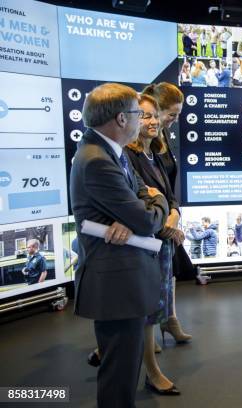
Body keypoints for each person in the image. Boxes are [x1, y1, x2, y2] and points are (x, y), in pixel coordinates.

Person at [70, 83, 170, 407]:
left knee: (125, 372)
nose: (142, 121)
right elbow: (145, 217)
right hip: (116, 284)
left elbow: (145, 196)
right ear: (120, 119)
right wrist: (158, 205)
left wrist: (152, 203)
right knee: (118, 379)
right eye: (137, 115)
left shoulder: (112, 152)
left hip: (124, 281)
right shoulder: (97, 160)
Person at [125, 94, 184, 395]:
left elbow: (164, 195)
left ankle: (149, 368)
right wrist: (168, 225)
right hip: (146, 243)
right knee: (148, 309)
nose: (152, 121)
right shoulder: (127, 155)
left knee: (155, 306)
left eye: (155, 116)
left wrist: (173, 215)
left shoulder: (155, 152)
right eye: (144, 116)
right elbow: (144, 203)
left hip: (161, 240)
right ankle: (151, 372)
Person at [142, 83, 194, 342]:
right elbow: (145, 191)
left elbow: (166, 183)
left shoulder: (161, 141)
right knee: (151, 282)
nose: (175, 120)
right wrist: (165, 221)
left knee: (167, 274)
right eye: (172, 114)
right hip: (149, 225)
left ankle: (167, 319)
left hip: (166, 218)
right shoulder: (137, 146)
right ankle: (149, 335)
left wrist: (174, 213)